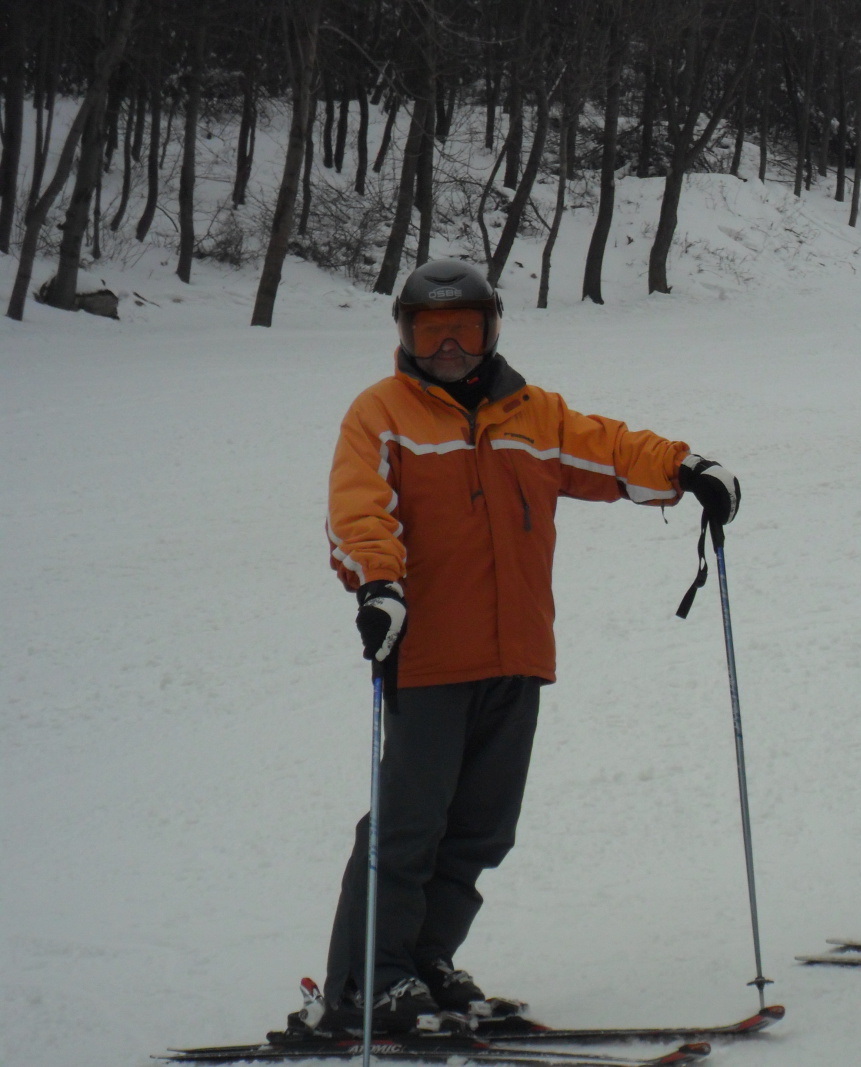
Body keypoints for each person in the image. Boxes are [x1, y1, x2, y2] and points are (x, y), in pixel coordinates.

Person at [307, 260, 740, 1033]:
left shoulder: (531, 414)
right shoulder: (381, 414)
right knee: (409, 824)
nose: (448, 346)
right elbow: (357, 507)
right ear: (404, 333)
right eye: (429, 330)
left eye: (464, 329)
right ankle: (367, 980)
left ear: (491, 330)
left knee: (482, 826)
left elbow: (607, 450)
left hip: (517, 654)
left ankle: (425, 958)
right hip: (431, 654)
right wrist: (379, 583)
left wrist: (685, 468)